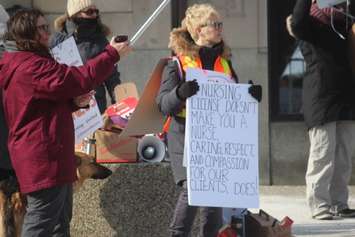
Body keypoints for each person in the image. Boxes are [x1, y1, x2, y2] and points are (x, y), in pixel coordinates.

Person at [0, 8, 131, 236]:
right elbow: (77, 79)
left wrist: (73, 104)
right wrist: (111, 54)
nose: (48, 32)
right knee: (41, 223)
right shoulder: (30, 66)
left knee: (59, 222)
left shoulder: (30, 62)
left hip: (50, 154)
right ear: (27, 34)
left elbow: (38, 108)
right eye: (41, 28)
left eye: (46, 26)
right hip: (43, 157)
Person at [156, 4, 261, 236]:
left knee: (213, 195)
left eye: (220, 24)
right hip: (184, 136)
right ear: (197, 30)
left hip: (215, 138)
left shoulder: (224, 63)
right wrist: (180, 93)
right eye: (214, 25)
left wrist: (250, 96)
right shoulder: (178, 63)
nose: (220, 29)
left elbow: (232, 103)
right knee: (192, 190)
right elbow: (162, 103)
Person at [287, 0, 355, 220]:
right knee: (323, 153)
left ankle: (339, 203)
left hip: (346, 97)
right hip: (321, 99)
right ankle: (319, 204)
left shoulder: (344, 25)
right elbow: (296, 20)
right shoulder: (311, 25)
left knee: (343, 154)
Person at [50, 0, 121, 113]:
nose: (95, 15)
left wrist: (120, 107)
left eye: (96, 11)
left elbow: (112, 79)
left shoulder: (100, 41)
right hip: (65, 112)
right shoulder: (57, 40)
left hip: (94, 112)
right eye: (89, 11)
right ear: (75, 14)